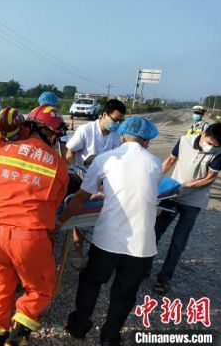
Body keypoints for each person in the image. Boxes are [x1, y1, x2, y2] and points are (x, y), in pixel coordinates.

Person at [57, 116, 161, 346]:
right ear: (147, 140)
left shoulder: (106, 158)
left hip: (108, 240)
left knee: (91, 281)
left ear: (122, 135)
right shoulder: (155, 162)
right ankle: (110, 336)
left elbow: (82, 197)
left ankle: (79, 326)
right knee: (125, 293)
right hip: (142, 244)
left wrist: (61, 221)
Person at [0, 105, 69, 346]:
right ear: (48, 133)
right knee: (39, 290)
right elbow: (55, 204)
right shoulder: (59, 165)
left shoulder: (4, 150)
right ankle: (17, 338)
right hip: (30, 237)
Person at [154, 122, 221, 294]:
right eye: (211, 144)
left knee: (178, 241)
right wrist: (153, 179)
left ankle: (164, 278)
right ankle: (142, 268)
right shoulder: (184, 141)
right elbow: (170, 161)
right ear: (205, 134)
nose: (212, 148)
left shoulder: (220, 151)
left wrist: (187, 186)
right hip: (172, 195)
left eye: (217, 146)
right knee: (155, 232)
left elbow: (209, 178)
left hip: (194, 201)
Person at [65, 99, 127, 269]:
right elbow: (70, 151)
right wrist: (71, 169)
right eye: (116, 120)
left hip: (104, 183)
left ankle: (98, 251)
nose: (118, 124)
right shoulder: (86, 130)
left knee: (100, 219)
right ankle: (78, 251)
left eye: (121, 121)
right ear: (105, 115)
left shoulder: (115, 136)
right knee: (81, 218)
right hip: (81, 179)